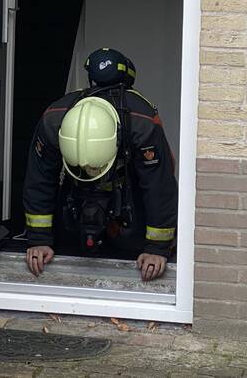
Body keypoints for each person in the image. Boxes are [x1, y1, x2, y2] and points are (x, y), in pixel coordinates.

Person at [22, 48, 178, 282]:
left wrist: (157, 248)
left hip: (129, 198)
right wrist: (39, 239)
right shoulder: (55, 119)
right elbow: (39, 179)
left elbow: (159, 186)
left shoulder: (141, 123)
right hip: (74, 196)